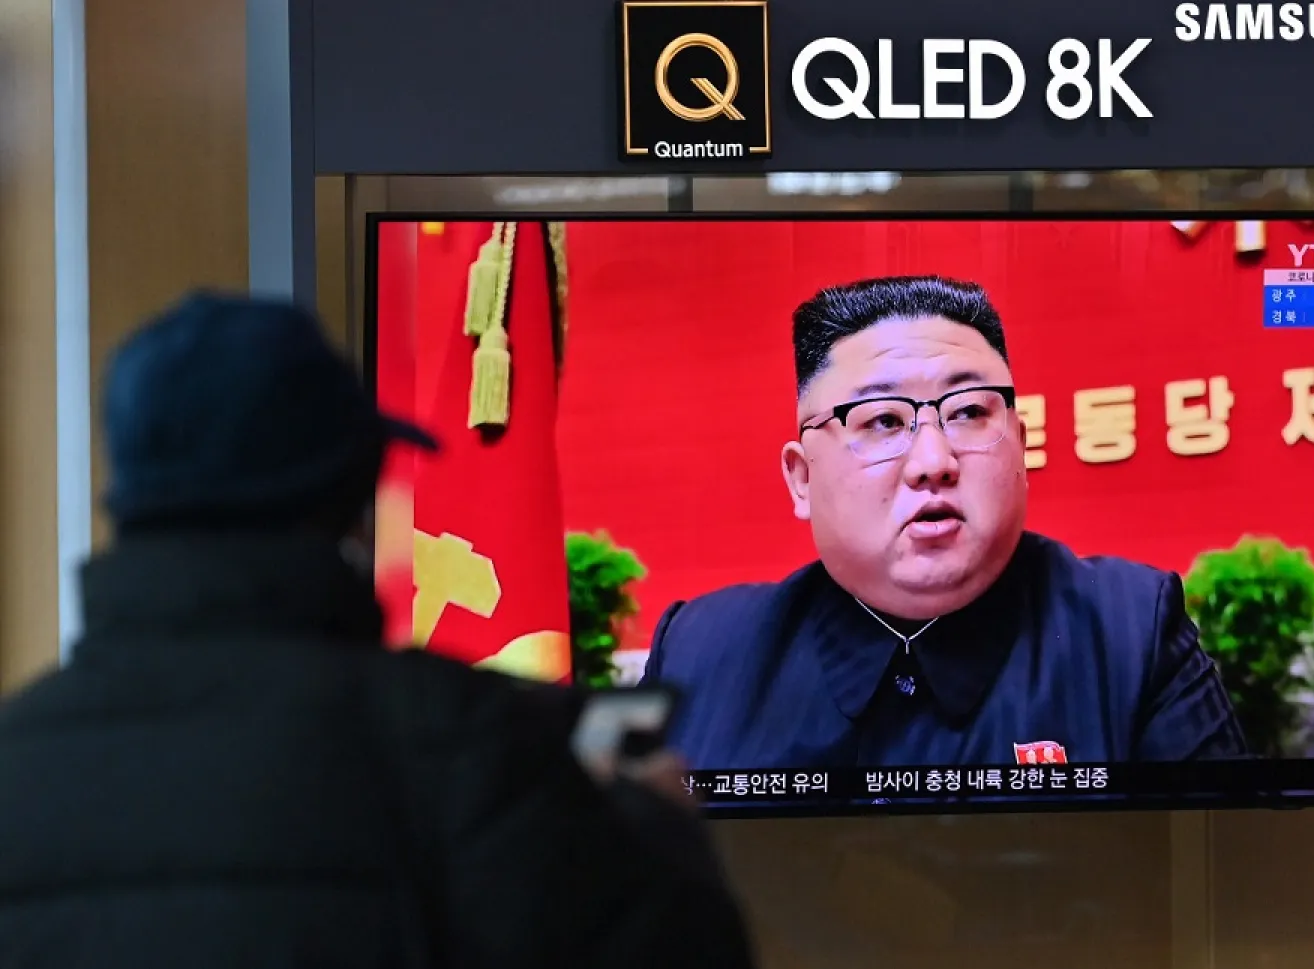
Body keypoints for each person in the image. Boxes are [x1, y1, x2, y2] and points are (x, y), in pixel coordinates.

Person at [0, 292, 754, 969]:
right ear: (354, 495)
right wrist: (655, 826)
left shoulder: (16, 755)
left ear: (129, 498)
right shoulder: (480, 749)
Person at [642, 275, 1248, 770]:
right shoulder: (700, 652)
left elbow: (1221, 884)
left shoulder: (1129, 629)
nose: (933, 462)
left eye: (967, 413)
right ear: (802, 479)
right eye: (881, 421)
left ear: (1020, 444)